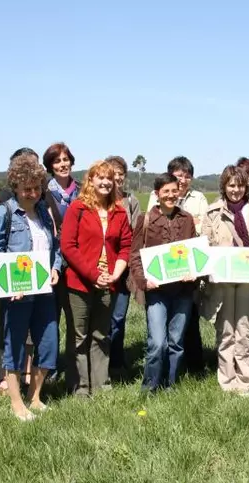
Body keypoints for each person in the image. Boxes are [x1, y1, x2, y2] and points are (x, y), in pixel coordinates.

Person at [0, 154, 62, 421]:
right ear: (15, 186)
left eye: (37, 187)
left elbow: (56, 246)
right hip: (17, 294)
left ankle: (35, 397)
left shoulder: (42, 211)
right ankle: (17, 404)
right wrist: (6, 284)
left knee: (49, 343)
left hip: (44, 291)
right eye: (27, 188)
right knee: (14, 347)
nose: (32, 193)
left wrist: (55, 268)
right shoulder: (3, 212)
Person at [200, 165, 249, 396]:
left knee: (245, 331)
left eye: (240, 185)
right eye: (231, 185)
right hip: (222, 281)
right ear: (224, 186)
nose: (236, 189)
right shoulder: (212, 212)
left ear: (247, 186)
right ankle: (227, 381)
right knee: (225, 332)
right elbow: (204, 246)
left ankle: (245, 381)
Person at [61, 160, 132, 397]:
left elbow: (125, 247)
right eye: (100, 177)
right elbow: (68, 247)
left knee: (101, 335)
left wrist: (115, 274)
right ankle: (80, 388)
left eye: (109, 178)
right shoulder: (78, 209)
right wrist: (93, 275)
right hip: (79, 283)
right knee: (79, 336)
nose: (105, 182)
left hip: (108, 283)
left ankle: (101, 386)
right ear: (90, 180)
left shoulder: (120, 212)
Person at [129, 173, 197, 392]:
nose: (170, 195)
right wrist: (142, 280)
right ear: (157, 194)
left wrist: (194, 273)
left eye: (174, 191)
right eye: (165, 191)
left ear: (179, 191)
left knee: (176, 342)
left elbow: (194, 253)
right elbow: (135, 255)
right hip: (156, 291)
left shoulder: (187, 219)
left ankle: (171, 385)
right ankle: (150, 387)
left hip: (182, 290)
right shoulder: (146, 219)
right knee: (157, 343)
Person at [147, 156, 209, 373]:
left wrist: (194, 270)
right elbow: (143, 247)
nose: (182, 181)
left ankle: (182, 373)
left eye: (186, 176)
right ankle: (155, 379)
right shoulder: (151, 210)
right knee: (158, 336)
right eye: (178, 176)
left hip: (185, 278)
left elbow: (200, 238)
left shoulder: (195, 205)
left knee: (182, 331)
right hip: (159, 281)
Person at [0, 147, 41, 394]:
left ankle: (26, 375)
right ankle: (6, 378)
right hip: (14, 283)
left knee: (32, 333)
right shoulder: (5, 204)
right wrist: (8, 283)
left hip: (39, 281)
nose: (32, 191)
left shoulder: (42, 203)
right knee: (10, 330)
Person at [42, 142, 80, 388]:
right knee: (50, 317)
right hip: (51, 261)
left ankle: (75, 366)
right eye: (57, 161)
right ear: (50, 166)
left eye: (65, 159)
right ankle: (51, 367)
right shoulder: (43, 191)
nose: (62, 164)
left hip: (77, 261)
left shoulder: (83, 190)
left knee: (75, 317)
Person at [104, 156, 141, 374]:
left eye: (121, 174)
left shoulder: (132, 201)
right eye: (113, 173)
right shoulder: (98, 200)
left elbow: (136, 232)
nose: (118, 178)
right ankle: (100, 362)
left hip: (124, 268)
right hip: (101, 267)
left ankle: (116, 361)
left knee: (118, 317)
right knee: (101, 318)